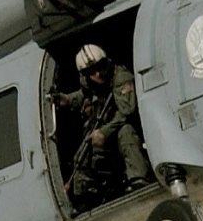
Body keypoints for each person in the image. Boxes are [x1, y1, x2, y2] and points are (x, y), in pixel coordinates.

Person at [56, 42, 150, 210]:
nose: (98, 74)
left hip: (123, 128)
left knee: (126, 132)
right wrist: (66, 100)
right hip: (104, 132)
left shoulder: (120, 77)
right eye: (91, 72)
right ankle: (84, 198)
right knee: (81, 157)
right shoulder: (88, 81)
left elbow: (127, 112)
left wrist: (104, 132)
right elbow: (83, 94)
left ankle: (138, 179)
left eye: (100, 67)